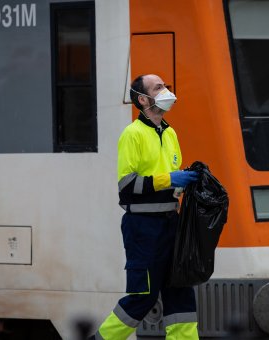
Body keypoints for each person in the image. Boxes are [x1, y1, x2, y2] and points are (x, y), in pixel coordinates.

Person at [92, 74, 199, 340]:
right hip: (143, 228)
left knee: (181, 295)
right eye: (158, 87)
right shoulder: (132, 134)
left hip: (170, 224)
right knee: (143, 297)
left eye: (166, 86)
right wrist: (170, 179)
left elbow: (169, 183)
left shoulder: (170, 133)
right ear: (143, 99)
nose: (166, 90)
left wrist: (188, 182)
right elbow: (127, 186)